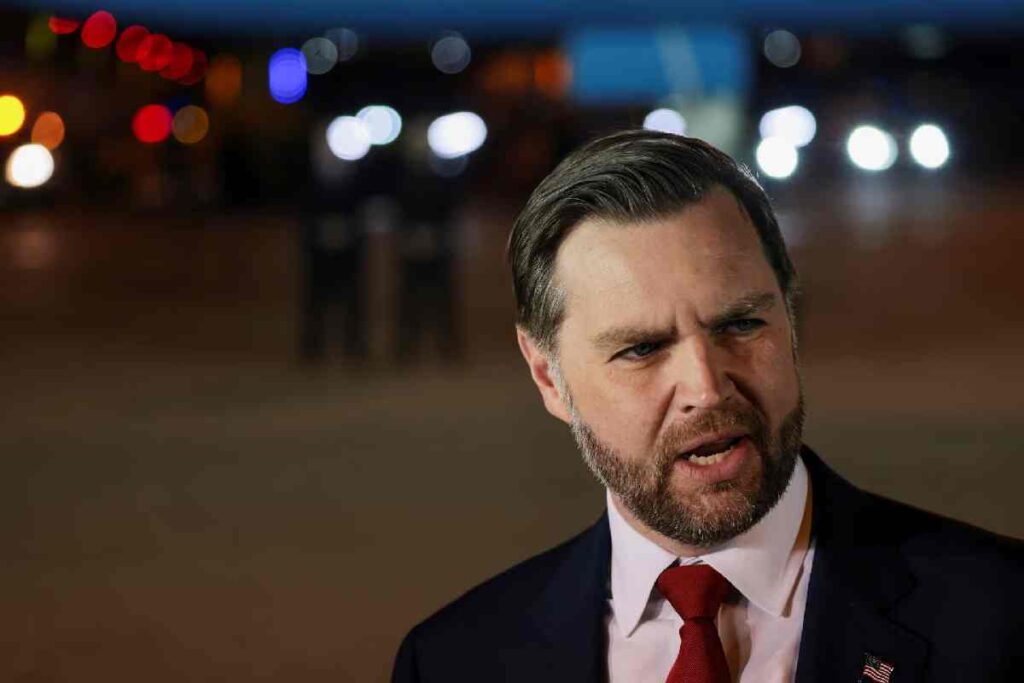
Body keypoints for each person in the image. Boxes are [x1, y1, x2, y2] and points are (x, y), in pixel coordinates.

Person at [391, 130, 1024, 682]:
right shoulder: (453, 661)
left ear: (790, 321)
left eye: (742, 324)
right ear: (548, 378)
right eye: (642, 349)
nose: (707, 387)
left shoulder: (1002, 618)